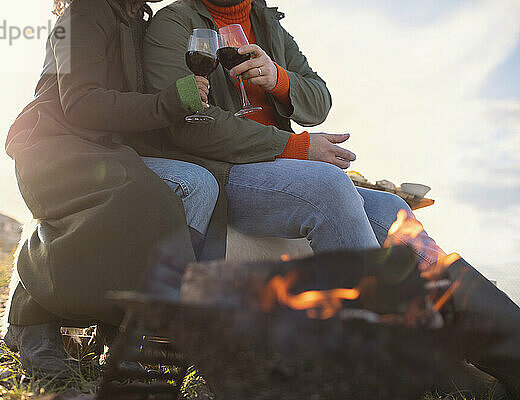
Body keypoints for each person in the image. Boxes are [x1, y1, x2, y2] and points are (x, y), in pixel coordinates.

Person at [140, 0, 520, 396]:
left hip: (277, 165)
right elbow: (188, 124)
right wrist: (296, 147)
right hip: (221, 169)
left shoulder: (264, 21)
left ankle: (504, 356)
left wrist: (278, 79)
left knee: (393, 209)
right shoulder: (176, 23)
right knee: (329, 187)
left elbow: (319, 99)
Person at [2, 0, 224, 378]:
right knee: (136, 193)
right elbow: (81, 104)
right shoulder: (80, 16)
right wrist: (170, 101)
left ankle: (123, 323)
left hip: (104, 148)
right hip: (52, 145)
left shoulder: (138, 20)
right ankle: (30, 321)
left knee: (198, 185)